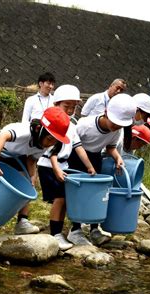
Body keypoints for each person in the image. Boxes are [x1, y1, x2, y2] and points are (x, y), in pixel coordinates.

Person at [0, 107, 71, 237]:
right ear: (39, 130)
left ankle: (22, 221)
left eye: (55, 141)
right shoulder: (24, 131)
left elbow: (31, 159)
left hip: (18, 155)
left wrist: (32, 176)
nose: (51, 143)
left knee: (27, 184)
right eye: (50, 139)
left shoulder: (44, 143)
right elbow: (2, 136)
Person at [67, 93, 137, 246]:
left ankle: (94, 228)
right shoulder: (85, 124)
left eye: (120, 125)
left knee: (96, 192)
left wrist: (118, 158)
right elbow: (72, 142)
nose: (116, 127)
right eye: (115, 123)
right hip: (76, 157)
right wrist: (86, 165)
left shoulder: (116, 131)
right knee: (78, 192)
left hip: (95, 158)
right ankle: (75, 229)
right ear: (106, 113)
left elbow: (110, 148)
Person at [36, 85, 95, 250]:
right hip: (48, 165)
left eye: (73, 106)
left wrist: (89, 166)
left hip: (64, 166)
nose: (69, 110)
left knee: (65, 199)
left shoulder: (72, 125)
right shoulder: (52, 122)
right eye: (66, 106)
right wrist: (56, 169)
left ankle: (66, 231)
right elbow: (52, 151)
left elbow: (78, 147)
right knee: (59, 199)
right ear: (56, 104)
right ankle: (55, 233)